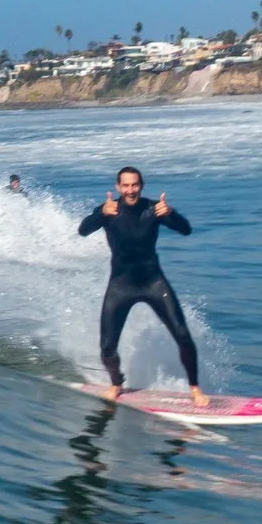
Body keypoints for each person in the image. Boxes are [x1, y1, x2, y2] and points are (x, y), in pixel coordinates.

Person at [77, 165, 206, 406]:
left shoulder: (154, 209)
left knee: (183, 336)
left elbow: (186, 230)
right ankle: (117, 383)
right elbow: (83, 230)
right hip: (120, 286)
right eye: (125, 185)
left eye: (134, 184)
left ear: (141, 185)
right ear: (118, 187)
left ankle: (195, 389)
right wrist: (100, 215)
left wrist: (171, 214)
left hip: (153, 283)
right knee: (107, 348)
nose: (130, 190)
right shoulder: (109, 209)